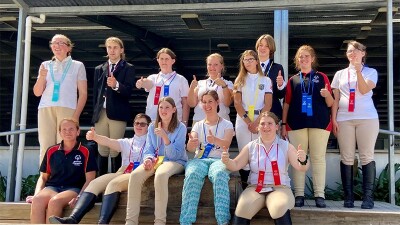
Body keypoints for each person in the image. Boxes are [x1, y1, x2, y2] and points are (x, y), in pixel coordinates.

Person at [48, 113, 151, 224]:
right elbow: (110, 142)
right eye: (136, 123)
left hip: (139, 173)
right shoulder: (127, 141)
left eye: (143, 124)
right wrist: (95, 137)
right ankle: (73, 219)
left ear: (148, 126)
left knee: (113, 184)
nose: (139, 126)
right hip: (123, 171)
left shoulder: (152, 143)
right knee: (94, 183)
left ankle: (102, 223)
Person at [222, 112, 309, 225]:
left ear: (276, 126)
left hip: (280, 188)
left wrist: (303, 160)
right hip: (255, 188)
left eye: (270, 123)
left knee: (279, 207)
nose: (266, 127)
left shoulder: (286, 146)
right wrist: (227, 161)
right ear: (258, 127)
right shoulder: (251, 146)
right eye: (262, 124)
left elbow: (301, 167)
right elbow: (235, 165)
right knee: (243, 207)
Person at [281, 45, 334, 208]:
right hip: (296, 124)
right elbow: (287, 103)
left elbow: (331, 103)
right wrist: (283, 124)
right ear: (297, 60)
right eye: (300, 57)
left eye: (306, 56)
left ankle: (319, 195)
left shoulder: (322, 77)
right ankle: (299, 194)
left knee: (318, 159)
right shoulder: (292, 80)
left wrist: (327, 95)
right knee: (299, 158)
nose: (303, 59)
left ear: (312, 59)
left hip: (320, 123)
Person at [331, 40, 379, 209]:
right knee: (347, 157)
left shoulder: (371, 72)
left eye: (357, 51)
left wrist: (358, 71)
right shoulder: (340, 74)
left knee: (366, 156)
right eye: (350, 51)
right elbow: (335, 99)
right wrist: (334, 119)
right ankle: (348, 197)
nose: (353, 53)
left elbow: (365, 90)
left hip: (367, 118)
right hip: (344, 119)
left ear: (363, 53)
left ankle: (368, 198)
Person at [125, 97, 188, 225]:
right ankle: (130, 222)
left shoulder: (181, 127)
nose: (163, 110)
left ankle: (159, 222)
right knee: (136, 175)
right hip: (156, 160)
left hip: (176, 161)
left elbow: (176, 155)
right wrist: (147, 159)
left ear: (174, 110)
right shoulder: (152, 126)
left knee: (161, 174)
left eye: (167, 107)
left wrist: (165, 137)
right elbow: (148, 149)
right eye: (161, 107)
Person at [26, 118, 97, 224]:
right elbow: (43, 177)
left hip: (74, 189)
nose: (67, 132)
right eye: (64, 129)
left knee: (55, 202)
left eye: (71, 129)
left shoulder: (86, 150)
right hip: (53, 187)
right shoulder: (51, 150)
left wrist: (79, 197)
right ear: (59, 132)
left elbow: (90, 179)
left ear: (78, 132)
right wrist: (37, 194)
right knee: (37, 201)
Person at [180, 90, 234, 225]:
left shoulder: (227, 124)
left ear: (217, 102)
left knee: (219, 174)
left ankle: (223, 220)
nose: (207, 105)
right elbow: (191, 149)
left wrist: (215, 139)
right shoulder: (198, 125)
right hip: (200, 159)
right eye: (204, 102)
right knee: (192, 174)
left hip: (219, 159)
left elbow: (227, 144)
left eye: (210, 101)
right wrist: (191, 144)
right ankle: (185, 220)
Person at [33, 34, 87, 164]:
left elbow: (83, 93)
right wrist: (41, 77)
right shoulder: (45, 65)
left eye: (61, 43)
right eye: (54, 43)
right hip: (45, 108)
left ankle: (64, 178)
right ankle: (44, 179)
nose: (57, 46)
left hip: (68, 108)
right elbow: (37, 92)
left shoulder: (78, 65)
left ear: (69, 48)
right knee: (46, 145)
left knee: (64, 144)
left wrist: (76, 116)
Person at [92, 37, 136, 175]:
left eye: (115, 47)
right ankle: (101, 184)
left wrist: (116, 85)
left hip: (117, 112)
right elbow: (95, 94)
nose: (112, 50)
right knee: (102, 148)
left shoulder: (128, 68)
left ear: (121, 50)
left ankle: (115, 185)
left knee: (115, 148)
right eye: (109, 47)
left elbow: (129, 91)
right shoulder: (99, 69)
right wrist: (94, 116)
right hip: (101, 113)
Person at [233, 50, 272, 190]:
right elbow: (237, 103)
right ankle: (245, 189)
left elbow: (268, 103)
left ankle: (260, 187)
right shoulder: (239, 80)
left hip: (260, 119)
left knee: (260, 153)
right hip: (243, 120)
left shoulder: (266, 80)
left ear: (256, 61)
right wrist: (248, 122)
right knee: (244, 154)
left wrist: (257, 122)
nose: (248, 62)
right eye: (245, 59)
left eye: (250, 59)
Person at [135, 48, 189, 126]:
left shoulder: (181, 79)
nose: (164, 61)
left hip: (174, 120)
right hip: (153, 119)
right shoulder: (153, 77)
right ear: (158, 60)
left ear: (173, 61)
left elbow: (185, 102)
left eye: (167, 59)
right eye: (161, 59)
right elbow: (148, 84)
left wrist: (184, 122)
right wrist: (142, 83)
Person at [187, 53, 233, 124]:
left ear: (222, 66)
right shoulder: (199, 83)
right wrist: (191, 88)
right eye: (209, 64)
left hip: (221, 121)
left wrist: (224, 86)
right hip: (200, 120)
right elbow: (191, 104)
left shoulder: (228, 83)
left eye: (216, 64)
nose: (212, 67)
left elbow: (227, 103)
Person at [256, 34, 286, 120]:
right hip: (253, 112)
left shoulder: (277, 68)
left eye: (267, 46)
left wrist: (280, 85)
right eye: (261, 45)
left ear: (271, 49)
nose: (263, 48)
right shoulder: (250, 66)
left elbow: (280, 95)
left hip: (272, 113)